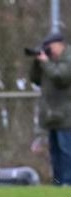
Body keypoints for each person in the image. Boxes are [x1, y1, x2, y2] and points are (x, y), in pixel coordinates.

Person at [29, 32, 71, 186]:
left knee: (67, 152)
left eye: (50, 47)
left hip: (67, 116)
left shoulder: (68, 59)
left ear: (60, 44)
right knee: (55, 153)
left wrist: (46, 62)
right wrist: (37, 62)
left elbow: (61, 77)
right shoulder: (50, 61)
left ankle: (68, 182)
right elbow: (35, 79)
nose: (49, 50)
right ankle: (58, 182)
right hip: (51, 115)